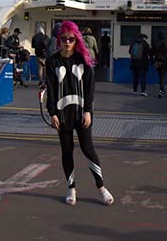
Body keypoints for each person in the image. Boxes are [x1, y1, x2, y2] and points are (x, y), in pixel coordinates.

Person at [45, 20, 114, 206]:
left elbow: (90, 88)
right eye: (63, 38)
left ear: (76, 39)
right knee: (67, 151)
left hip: (81, 112)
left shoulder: (83, 60)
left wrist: (88, 111)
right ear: (59, 40)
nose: (67, 42)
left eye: (71, 38)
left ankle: (101, 187)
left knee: (88, 149)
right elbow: (50, 90)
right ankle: (71, 187)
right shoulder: (52, 62)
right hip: (62, 114)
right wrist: (52, 113)